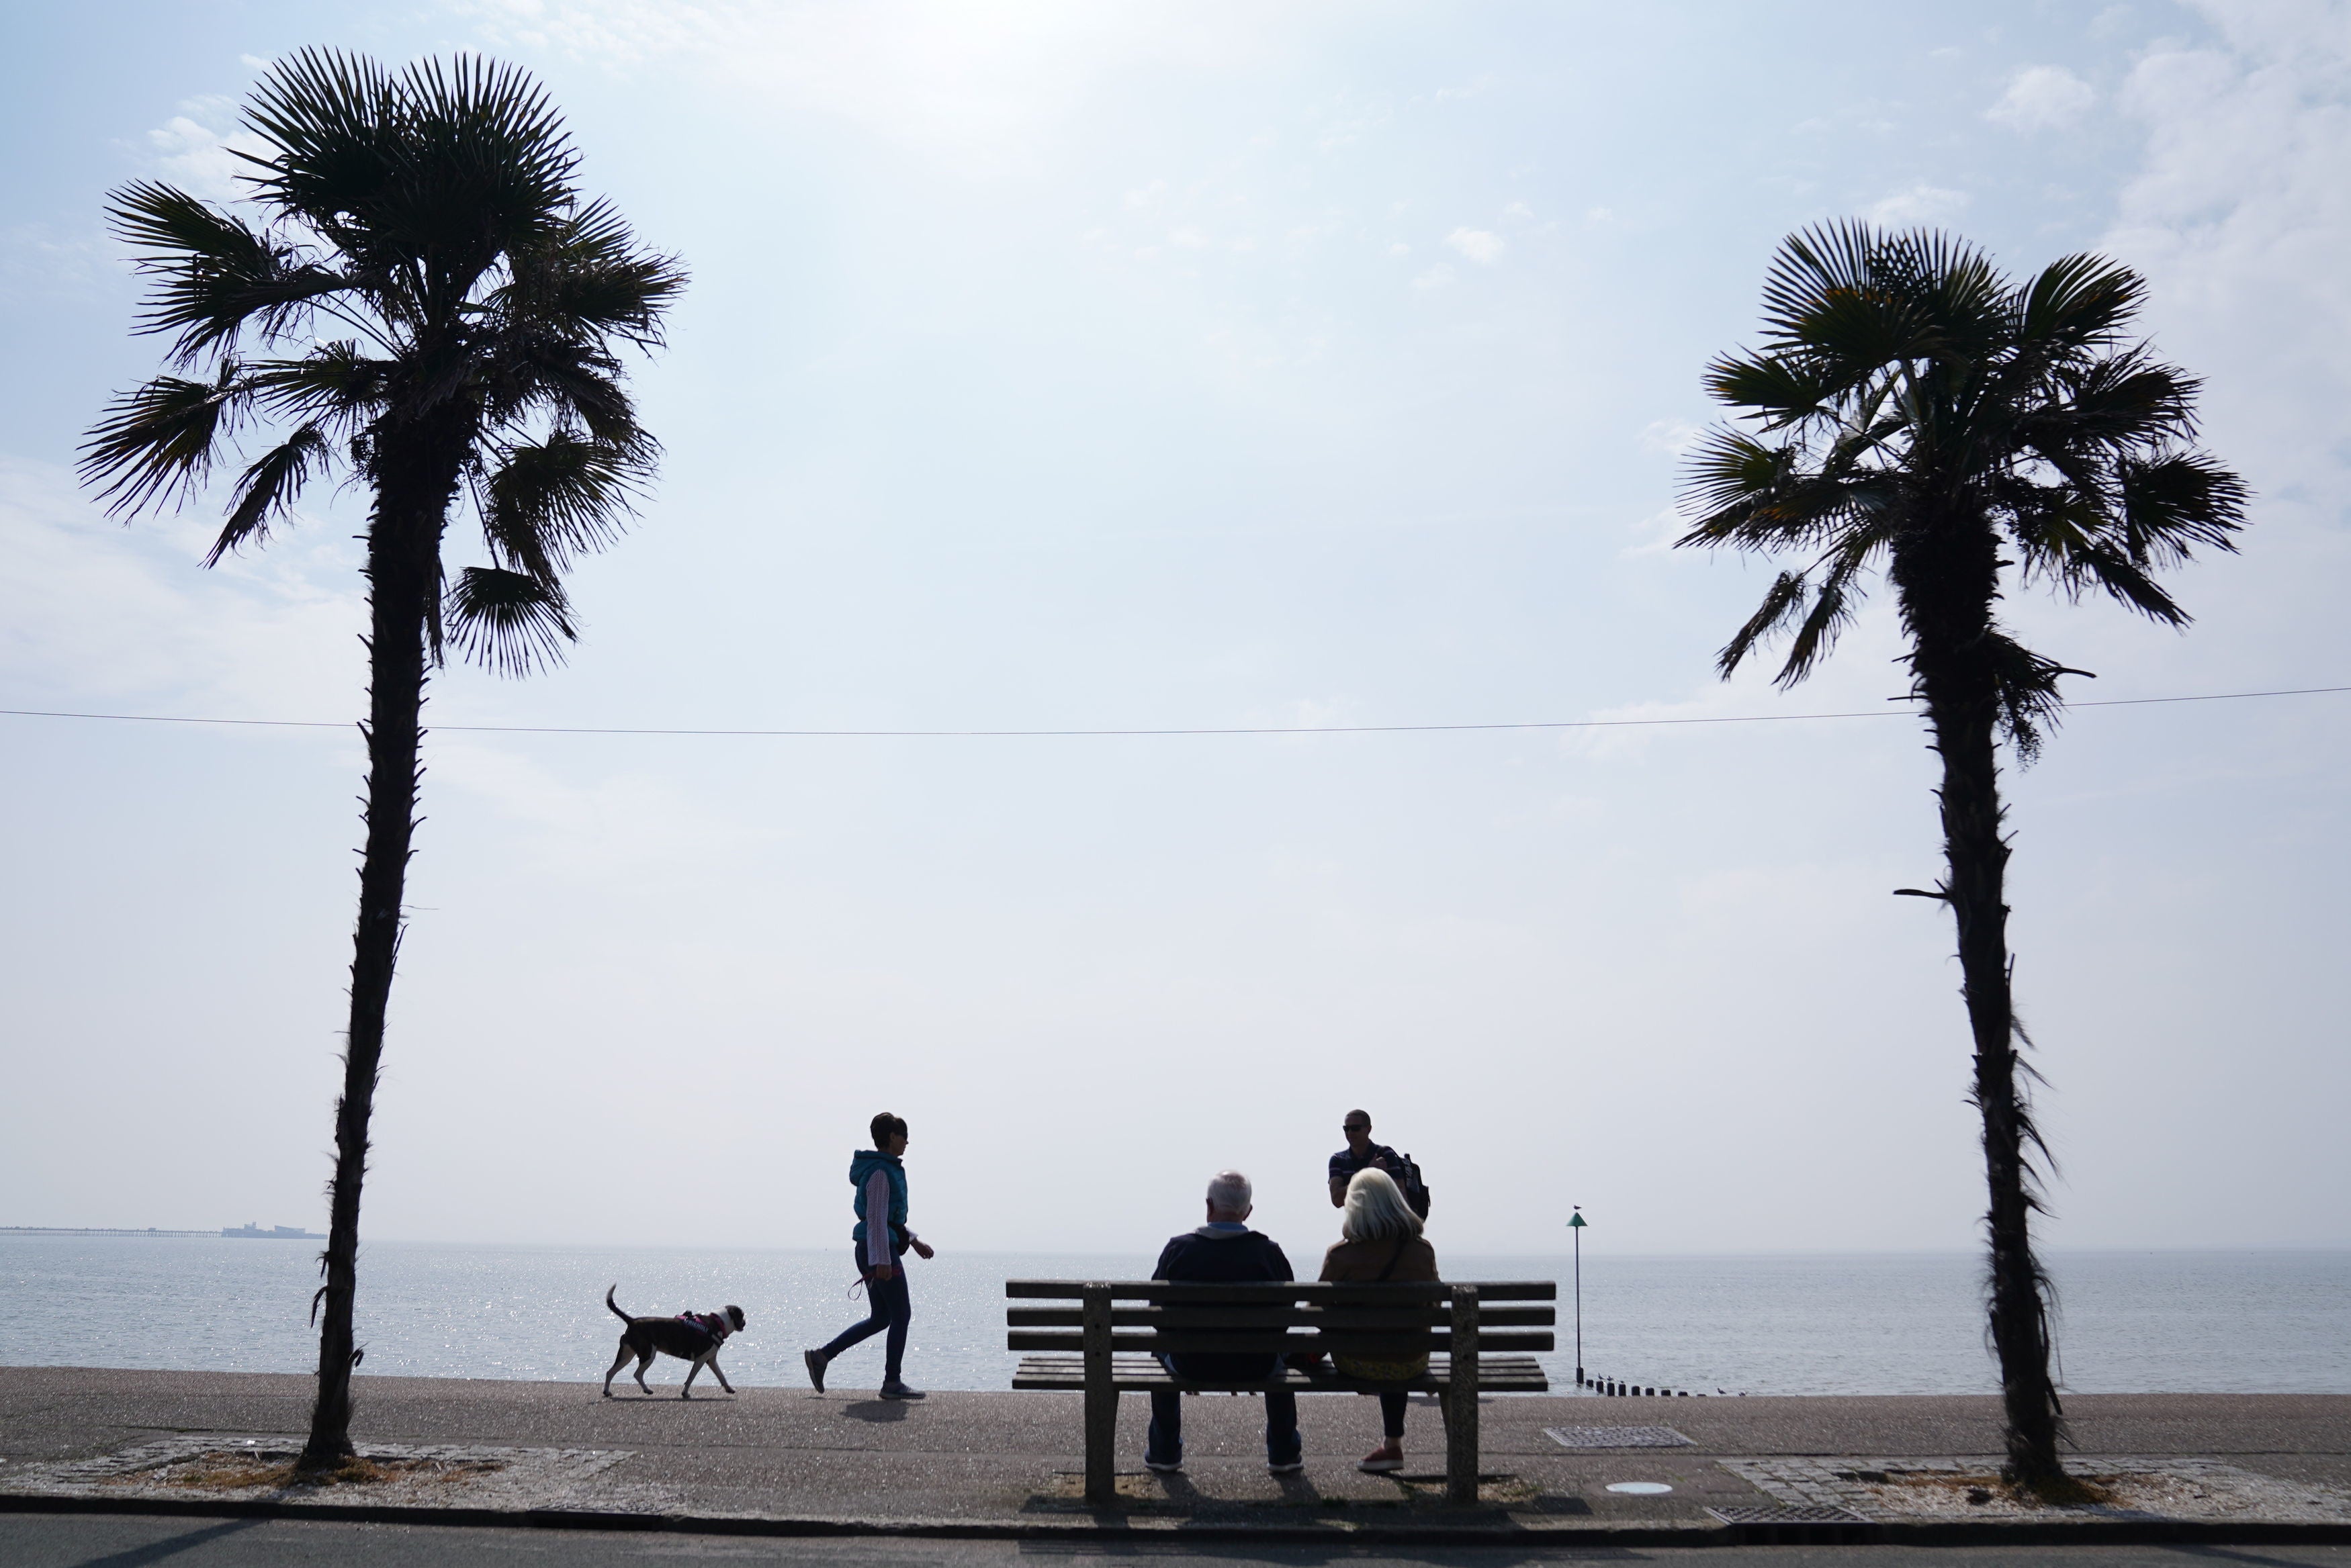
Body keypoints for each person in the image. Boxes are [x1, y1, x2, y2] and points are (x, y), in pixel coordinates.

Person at [1144, 1170, 1302, 1476]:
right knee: (1279, 1352)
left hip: (1190, 1362)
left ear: (1209, 1205)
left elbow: (1156, 1311)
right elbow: (1286, 1313)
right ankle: (1284, 1453)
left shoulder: (1179, 1250)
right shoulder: (1269, 1253)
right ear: (1248, 1211)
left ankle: (1165, 1452)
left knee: (1160, 1350)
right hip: (1258, 1363)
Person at [803, 1111, 934, 1400]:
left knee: (881, 1318)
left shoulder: (883, 1169)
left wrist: (912, 1240)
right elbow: (876, 1218)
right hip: (878, 1251)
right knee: (901, 1314)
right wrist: (882, 1260)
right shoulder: (879, 1172)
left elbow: (887, 1219)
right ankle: (892, 1383)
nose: (907, 1142)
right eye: (904, 1136)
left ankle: (822, 1357)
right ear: (891, 1137)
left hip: (875, 1248)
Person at [1320, 1166, 1439, 1473]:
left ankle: (1285, 1455)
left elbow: (1316, 1312)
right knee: (1397, 1343)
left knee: (1381, 1344)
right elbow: (1434, 1304)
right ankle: (1392, 1445)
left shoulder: (1341, 1255)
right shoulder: (1422, 1251)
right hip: (1411, 1359)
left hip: (1355, 1361)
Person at [1328, 1109, 1411, 1208]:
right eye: (1346, 1129)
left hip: (1385, 1220)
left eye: (1355, 1128)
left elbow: (1400, 1195)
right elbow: (1337, 1200)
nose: (1350, 1133)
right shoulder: (1338, 1160)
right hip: (1357, 1221)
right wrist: (1368, 1173)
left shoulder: (1384, 1154)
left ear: (1368, 1129)